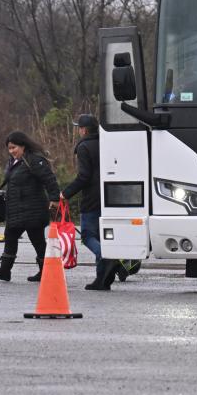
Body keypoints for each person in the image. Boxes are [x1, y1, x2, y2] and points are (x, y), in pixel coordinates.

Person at [0, 131, 60, 282]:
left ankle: (46, 271)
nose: (12, 151)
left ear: (23, 146)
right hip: (16, 209)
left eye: (14, 147)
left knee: (37, 240)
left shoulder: (34, 160)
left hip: (33, 209)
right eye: (9, 148)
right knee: (10, 236)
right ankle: (5, 270)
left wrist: (54, 198)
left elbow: (49, 179)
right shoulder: (13, 162)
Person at [59, 113, 116, 290]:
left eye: (79, 128)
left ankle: (108, 257)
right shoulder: (107, 142)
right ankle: (102, 280)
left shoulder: (84, 147)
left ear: (83, 130)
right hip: (110, 194)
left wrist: (66, 193)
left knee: (87, 236)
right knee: (101, 237)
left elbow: (83, 176)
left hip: (91, 197)